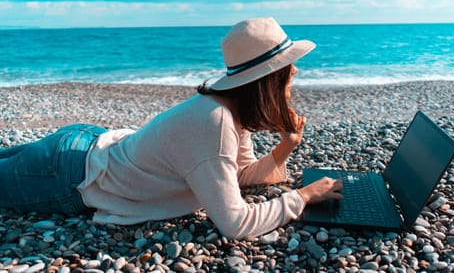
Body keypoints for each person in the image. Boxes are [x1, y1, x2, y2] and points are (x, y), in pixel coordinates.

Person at [0, 17, 343, 239]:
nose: (295, 72)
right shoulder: (215, 122)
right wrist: (302, 197)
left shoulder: (228, 110)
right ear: (267, 81)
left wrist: (287, 146)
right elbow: (236, 224)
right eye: (288, 67)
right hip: (68, 174)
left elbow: (235, 175)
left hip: (85, 145)